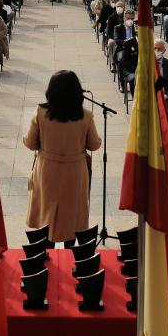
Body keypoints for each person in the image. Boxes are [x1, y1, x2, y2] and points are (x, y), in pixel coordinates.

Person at [23, 70, 102, 244]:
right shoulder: (86, 115)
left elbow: (30, 143)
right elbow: (95, 145)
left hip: (47, 170)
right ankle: (71, 256)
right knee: (72, 216)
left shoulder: (40, 112)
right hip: (74, 171)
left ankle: (46, 256)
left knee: (46, 214)